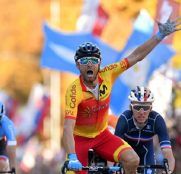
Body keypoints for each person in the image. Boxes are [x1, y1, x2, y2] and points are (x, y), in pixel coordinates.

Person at [63, 15, 180, 174]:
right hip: (80, 141)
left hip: (102, 136)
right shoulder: (74, 91)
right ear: (77, 65)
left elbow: (136, 56)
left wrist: (158, 37)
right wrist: (71, 157)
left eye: (93, 60)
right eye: (84, 61)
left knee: (133, 160)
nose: (89, 63)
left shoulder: (109, 74)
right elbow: (68, 127)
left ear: (99, 63)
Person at [115, 86, 175, 174]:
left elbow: (167, 151)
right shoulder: (124, 119)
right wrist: (112, 168)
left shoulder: (157, 120)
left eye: (146, 108)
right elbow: (114, 148)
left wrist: (168, 172)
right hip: (126, 151)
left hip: (147, 152)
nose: (142, 112)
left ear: (151, 108)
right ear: (131, 107)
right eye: (137, 107)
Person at [0, 102, 17, 172]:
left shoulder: (7, 125)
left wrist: (13, 169)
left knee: (2, 165)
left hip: (1, 143)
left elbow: (12, 149)